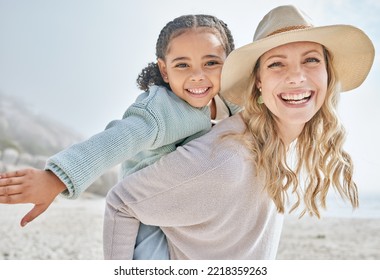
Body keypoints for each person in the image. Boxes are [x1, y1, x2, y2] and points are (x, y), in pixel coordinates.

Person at [103, 5, 375, 259]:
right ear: (258, 81)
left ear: (328, 74)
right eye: (277, 64)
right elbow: (121, 202)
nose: (296, 76)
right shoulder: (227, 158)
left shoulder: (272, 139)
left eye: (311, 60)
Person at [0, 14, 240, 259]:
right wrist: (56, 178)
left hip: (191, 207)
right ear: (164, 70)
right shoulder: (160, 111)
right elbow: (116, 140)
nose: (197, 75)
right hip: (146, 213)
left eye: (211, 63)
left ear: (229, 63)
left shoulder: (231, 101)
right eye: (182, 65)